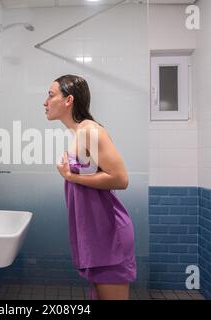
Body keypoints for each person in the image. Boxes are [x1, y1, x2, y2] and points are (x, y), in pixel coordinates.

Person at [43, 74, 136, 300]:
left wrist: (71, 177)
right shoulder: (78, 132)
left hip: (109, 233)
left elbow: (120, 178)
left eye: (51, 95)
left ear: (69, 100)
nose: (45, 102)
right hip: (98, 232)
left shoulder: (89, 130)